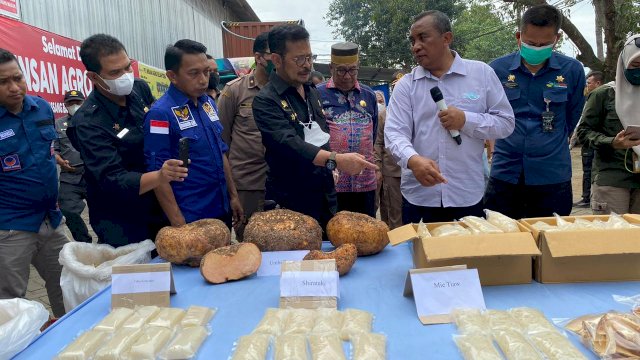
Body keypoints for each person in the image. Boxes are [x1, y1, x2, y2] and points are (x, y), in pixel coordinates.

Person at [385, 10, 515, 224]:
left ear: (447, 38)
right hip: (419, 197)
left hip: (467, 195)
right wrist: (413, 160)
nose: (415, 46)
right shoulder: (406, 86)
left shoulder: (481, 74)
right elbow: (394, 133)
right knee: (419, 256)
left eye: (423, 37)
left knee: (465, 257)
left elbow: (505, 122)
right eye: (413, 40)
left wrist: (466, 120)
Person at [252, 24, 377, 231]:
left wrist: (331, 167)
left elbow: (321, 137)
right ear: (276, 60)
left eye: (309, 57)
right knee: (297, 258)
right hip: (291, 200)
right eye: (299, 59)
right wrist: (337, 160)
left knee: (329, 255)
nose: (307, 65)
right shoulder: (266, 101)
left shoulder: (310, 91)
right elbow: (289, 144)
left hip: (326, 194)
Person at [71, 34, 187, 246]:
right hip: (122, 221)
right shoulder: (88, 122)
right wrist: (160, 175)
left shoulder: (139, 89)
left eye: (127, 67)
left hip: (159, 205)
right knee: (138, 277)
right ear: (93, 77)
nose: (125, 76)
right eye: (115, 72)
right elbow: (111, 180)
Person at [484, 4, 586, 219]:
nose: (537, 48)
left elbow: (572, 116)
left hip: (552, 174)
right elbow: (489, 115)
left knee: (549, 242)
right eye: (531, 43)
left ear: (556, 39)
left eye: (544, 44)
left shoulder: (572, 71)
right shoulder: (496, 69)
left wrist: (546, 141)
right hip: (506, 172)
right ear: (519, 36)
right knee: (502, 240)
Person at [144, 39, 243, 229]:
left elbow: (221, 152)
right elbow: (157, 176)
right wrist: (178, 223)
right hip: (191, 216)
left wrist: (233, 196)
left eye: (206, 72)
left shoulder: (208, 104)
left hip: (221, 208)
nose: (203, 80)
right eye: (194, 73)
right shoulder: (160, 114)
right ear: (172, 76)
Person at [0, 48, 68, 317]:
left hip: (52, 219)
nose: (15, 87)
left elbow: (46, 152)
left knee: (66, 286)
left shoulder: (41, 107)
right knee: (9, 304)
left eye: (18, 78)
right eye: (3, 82)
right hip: (11, 228)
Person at [576, 35, 640, 214]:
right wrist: (612, 142)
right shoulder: (604, 95)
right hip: (612, 179)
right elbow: (583, 132)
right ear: (624, 63)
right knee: (613, 238)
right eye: (635, 66)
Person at [218, 32, 271, 239]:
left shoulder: (288, 92)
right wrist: (232, 193)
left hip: (280, 183)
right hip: (247, 185)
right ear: (259, 58)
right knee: (249, 243)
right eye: (273, 55)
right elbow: (223, 143)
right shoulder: (234, 92)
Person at [317, 42, 378, 217]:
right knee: (332, 234)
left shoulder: (369, 95)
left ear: (358, 67)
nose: (347, 76)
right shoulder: (317, 94)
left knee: (365, 235)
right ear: (331, 68)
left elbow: (372, 135)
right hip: (331, 181)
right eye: (341, 70)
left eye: (352, 70)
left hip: (364, 181)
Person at [54, 90, 92, 243]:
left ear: (85, 103)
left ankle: (106, 243)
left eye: (78, 102)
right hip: (69, 175)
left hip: (92, 175)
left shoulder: (94, 121)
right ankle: (84, 243)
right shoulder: (58, 124)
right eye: (71, 103)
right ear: (65, 105)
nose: (74, 105)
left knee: (103, 212)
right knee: (67, 210)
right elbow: (53, 150)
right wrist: (60, 161)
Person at [571, 71, 604, 208]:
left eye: (589, 83)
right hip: (586, 139)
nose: (587, 86)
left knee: (591, 170)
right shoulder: (588, 99)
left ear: (598, 83)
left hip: (595, 140)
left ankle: (588, 198)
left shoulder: (603, 99)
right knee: (587, 169)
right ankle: (586, 196)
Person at [374, 89, 402, 229]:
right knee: (393, 211)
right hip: (392, 170)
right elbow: (378, 143)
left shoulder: (415, 111)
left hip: (415, 171)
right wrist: (378, 167)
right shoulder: (384, 115)